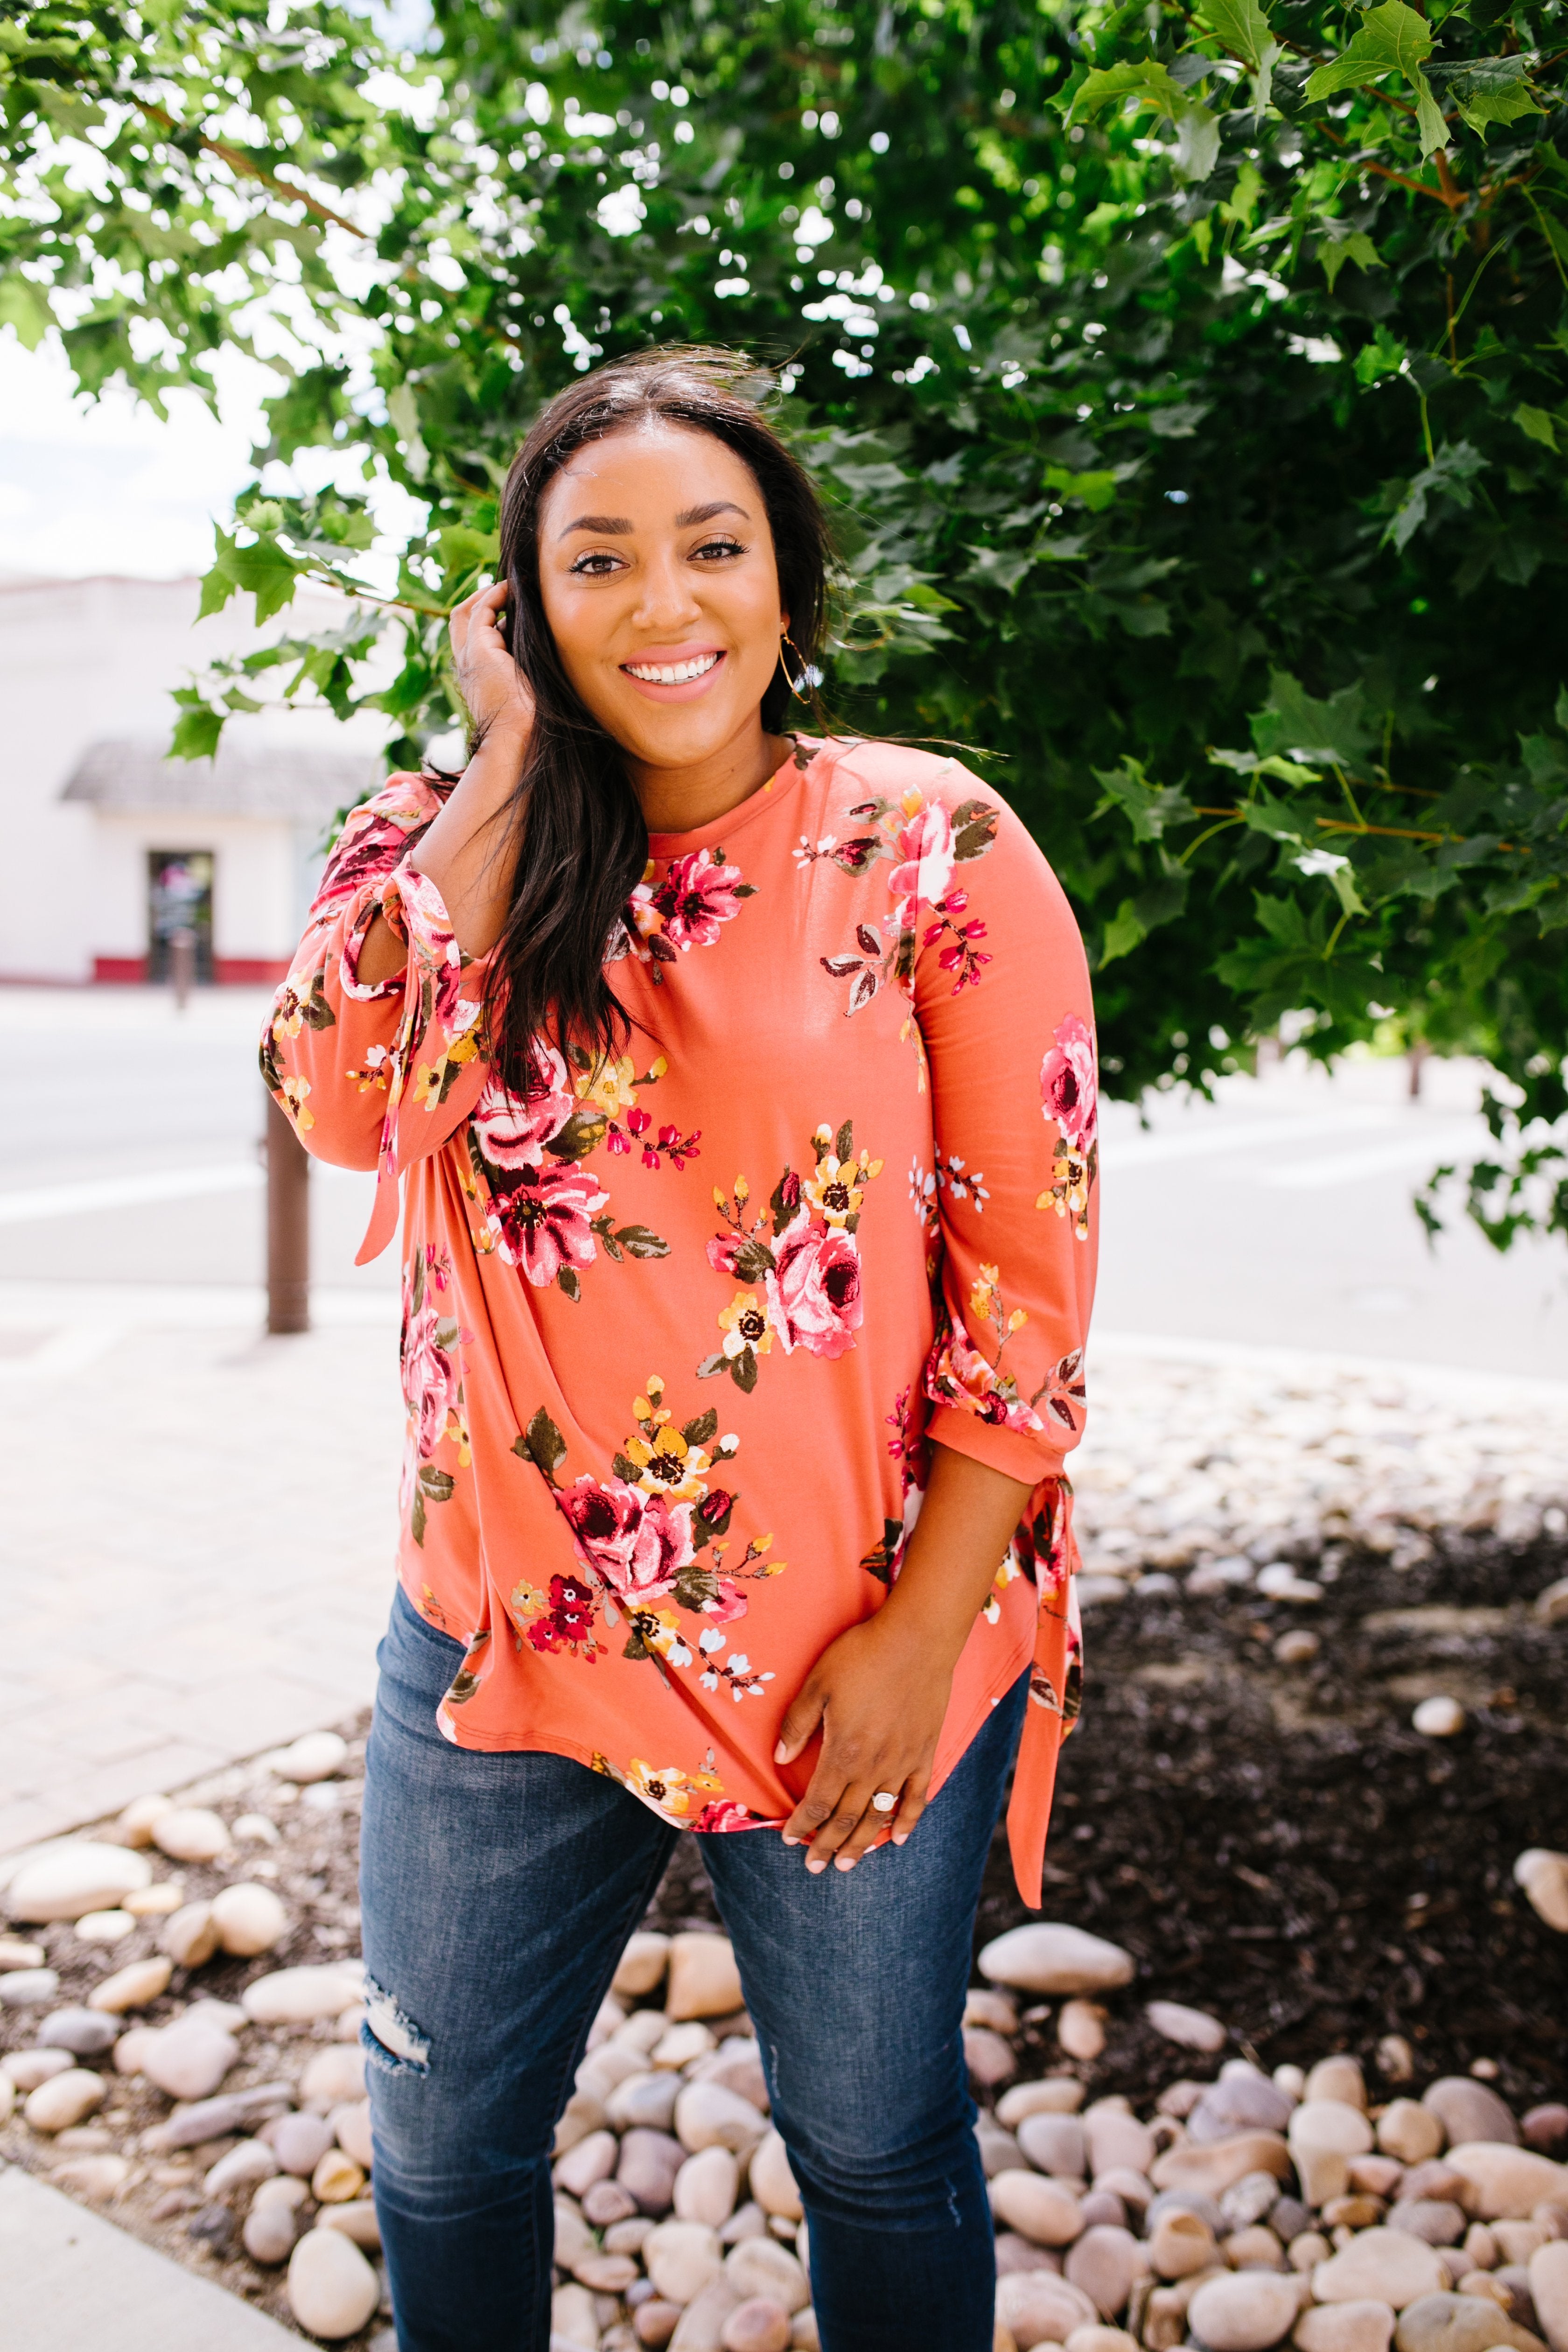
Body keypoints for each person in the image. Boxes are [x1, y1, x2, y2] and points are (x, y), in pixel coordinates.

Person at [262, 345, 1099, 2352]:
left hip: (853, 1653)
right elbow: (336, 1099)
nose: (664, 604)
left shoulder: (927, 844)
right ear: (526, 613)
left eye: (712, 549)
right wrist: (499, 767)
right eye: (599, 562)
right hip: (502, 1642)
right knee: (446, 2151)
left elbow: (1030, 1283)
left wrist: (924, 1637)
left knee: (877, 2144)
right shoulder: (432, 846)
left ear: (785, 592)